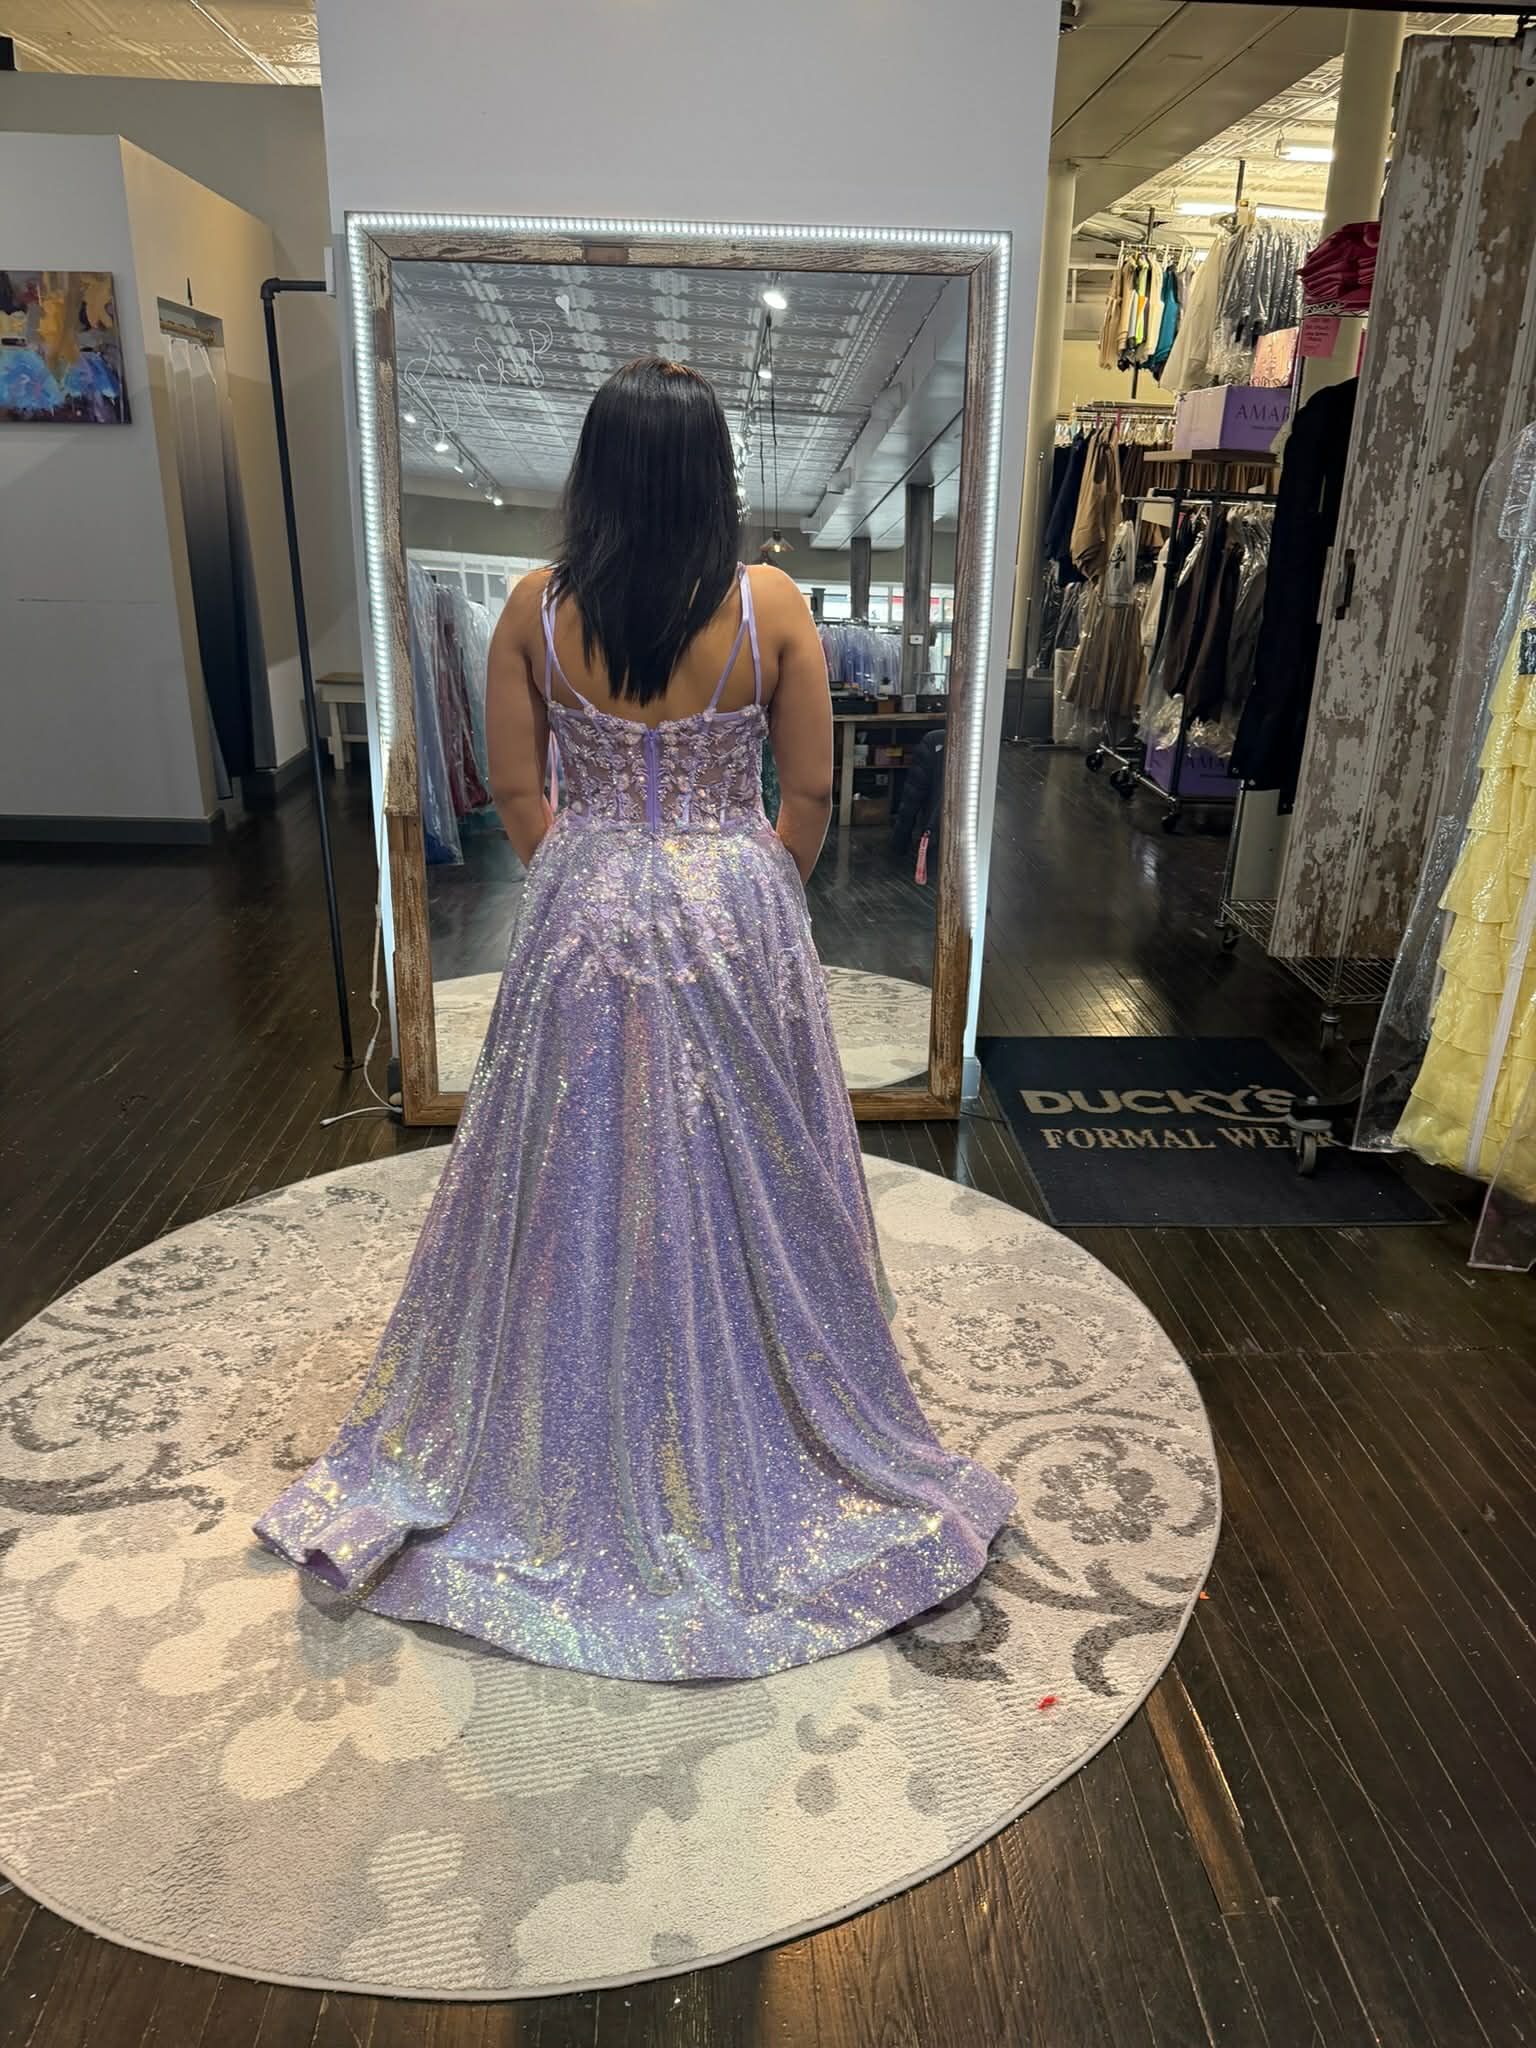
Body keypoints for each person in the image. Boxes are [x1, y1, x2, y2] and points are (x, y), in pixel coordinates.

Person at [255, 357, 1012, 1680]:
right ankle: (768, 1386)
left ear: (593, 474)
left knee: (568, 1158)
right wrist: (752, 885)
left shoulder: (534, 610)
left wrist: (587, 873)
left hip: (587, 899)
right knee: (757, 1160)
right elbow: (812, 794)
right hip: (735, 898)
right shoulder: (771, 604)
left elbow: (513, 790)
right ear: (714, 476)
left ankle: (569, 1394)